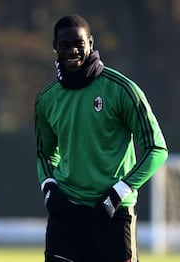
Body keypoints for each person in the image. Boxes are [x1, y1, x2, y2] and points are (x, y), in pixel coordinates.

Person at [34, 14, 168, 262]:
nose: (72, 50)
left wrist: (118, 193)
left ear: (91, 43)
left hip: (113, 213)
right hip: (66, 214)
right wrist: (49, 187)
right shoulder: (47, 99)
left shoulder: (122, 89)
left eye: (79, 44)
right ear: (55, 47)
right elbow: (45, 153)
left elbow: (157, 149)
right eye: (64, 45)